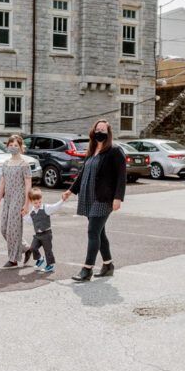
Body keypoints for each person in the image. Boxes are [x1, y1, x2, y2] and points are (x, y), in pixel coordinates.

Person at [62, 119, 127, 282]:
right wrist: (70, 190)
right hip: (89, 196)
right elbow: (83, 173)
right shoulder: (91, 150)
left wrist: (118, 198)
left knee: (92, 232)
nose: (100, 131)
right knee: (100, 232)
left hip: (104, 198)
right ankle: (108, 265)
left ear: (108, 132)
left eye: (103, 129)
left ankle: (87, 269)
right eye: (97, 128)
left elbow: (121, 176)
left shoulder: (114, 151)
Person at [0, 134, 31, 269]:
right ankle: (27, 248)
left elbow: (28, 185)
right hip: (8, 199)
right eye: (11, 145)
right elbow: (2, 182)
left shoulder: (24, 164)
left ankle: (13, 259)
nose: (13, 148)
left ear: (21, 147)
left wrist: (27, 204)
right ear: (7, 146)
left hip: (18, 198)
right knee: (4, 229)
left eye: (16, 146)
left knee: (12, 230)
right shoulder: (6, 163)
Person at [24, 187, 65, 274]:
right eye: (35, 203)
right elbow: (31, 222)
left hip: (46, 234)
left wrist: (62, 200)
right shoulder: (32, 211)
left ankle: (50, 264)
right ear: (31, 202)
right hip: (38, 235)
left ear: (41, 199)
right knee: (33, 247)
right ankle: (39, 259)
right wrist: (24, 216)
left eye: (39, 201)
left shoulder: (46, 208)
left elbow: (55, 207)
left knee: (48, 250)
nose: (38, 204)